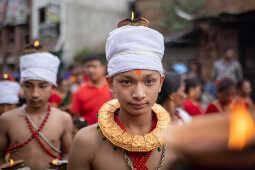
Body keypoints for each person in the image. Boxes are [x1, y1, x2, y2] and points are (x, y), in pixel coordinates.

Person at [68, 17, 255, 170]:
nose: (139, 94)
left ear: (161, 83)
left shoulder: (184, 141)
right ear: (110, 83)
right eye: (126, 81)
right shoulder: (86, 142)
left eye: (149, 81)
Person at [0, 43, 73, 170]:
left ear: (53, 88)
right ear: (22, 86)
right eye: (28, 86)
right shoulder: (6, 120)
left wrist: (62, 166)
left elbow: (68, 153)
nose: (35, 94)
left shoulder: (63, 119)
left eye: (42, 86)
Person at [70, 54, 112, 125]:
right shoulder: (80, 91)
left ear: (104, 68)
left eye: (94, 66)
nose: (90, 70)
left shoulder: (113, 87)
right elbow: (75, 116)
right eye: (88, 67)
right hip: (89, 132)